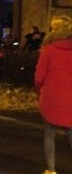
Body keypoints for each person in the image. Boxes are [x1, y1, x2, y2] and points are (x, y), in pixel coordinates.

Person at [35, 15, 72, 174]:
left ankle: (51, 170)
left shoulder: (48, 49)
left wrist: (39, 90)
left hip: (51, 96)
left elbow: (39, 76)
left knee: (49, 134)